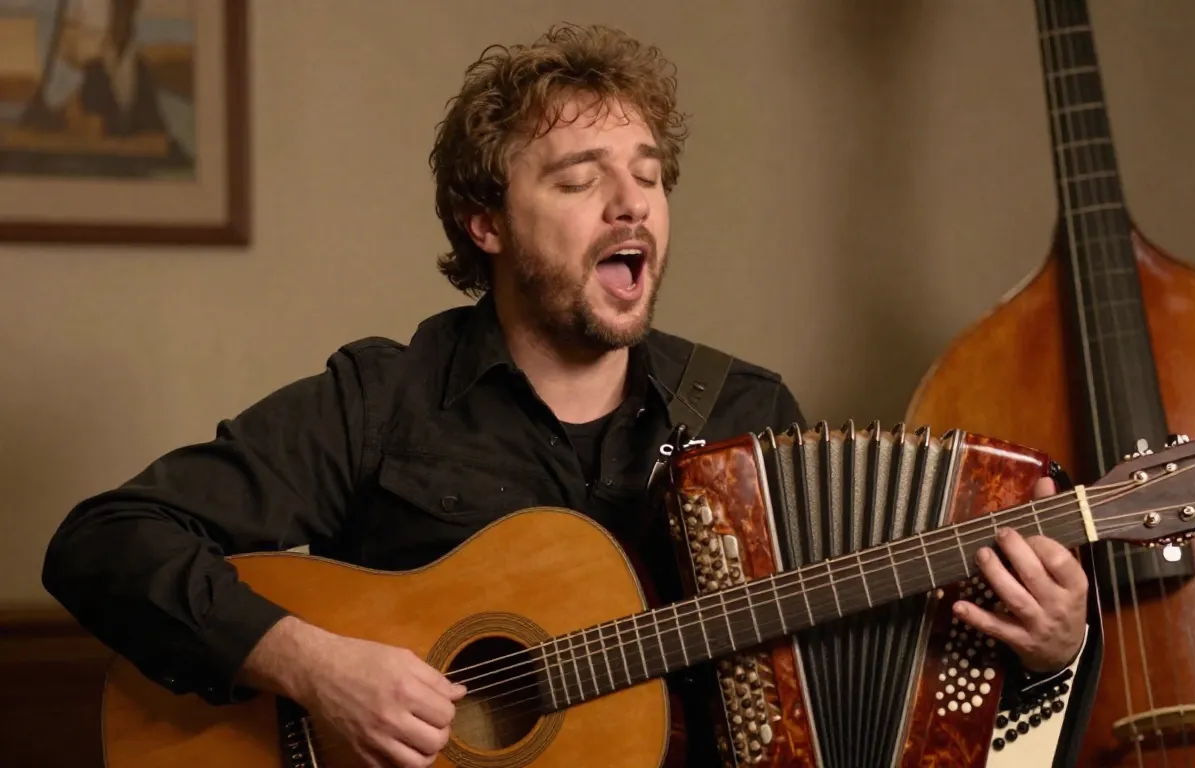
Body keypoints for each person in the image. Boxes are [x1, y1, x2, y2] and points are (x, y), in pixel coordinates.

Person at [42, 23, 1090, 768]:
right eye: (581, 178)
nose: (632, 203)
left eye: (648, 173)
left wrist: (1049, 654)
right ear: (486, 223)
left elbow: (868, 691)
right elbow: (104, 542)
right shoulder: (386, 398)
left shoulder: (746, 417)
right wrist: (315, 668)